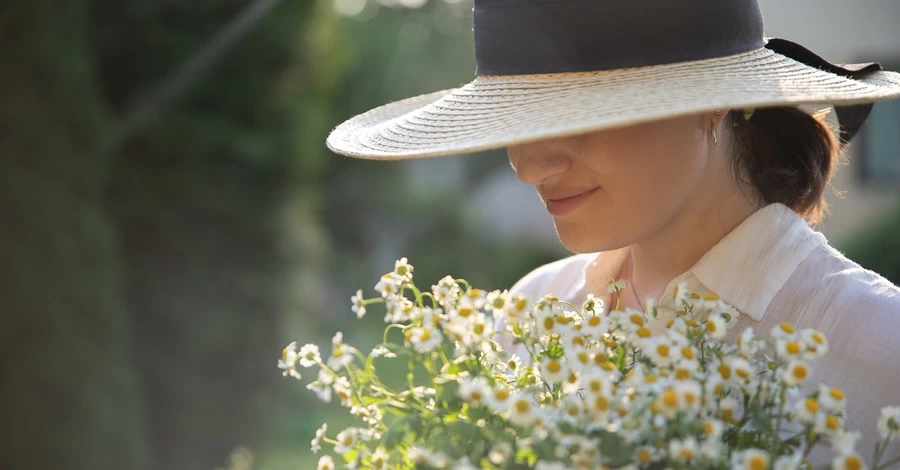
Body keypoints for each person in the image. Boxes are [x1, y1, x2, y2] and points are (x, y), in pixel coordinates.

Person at [326, 0, 900, 462]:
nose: (528, 167)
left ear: (713, 103)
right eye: (514, 120)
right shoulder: (531, 313)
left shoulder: (880, 349)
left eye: (581, 117)